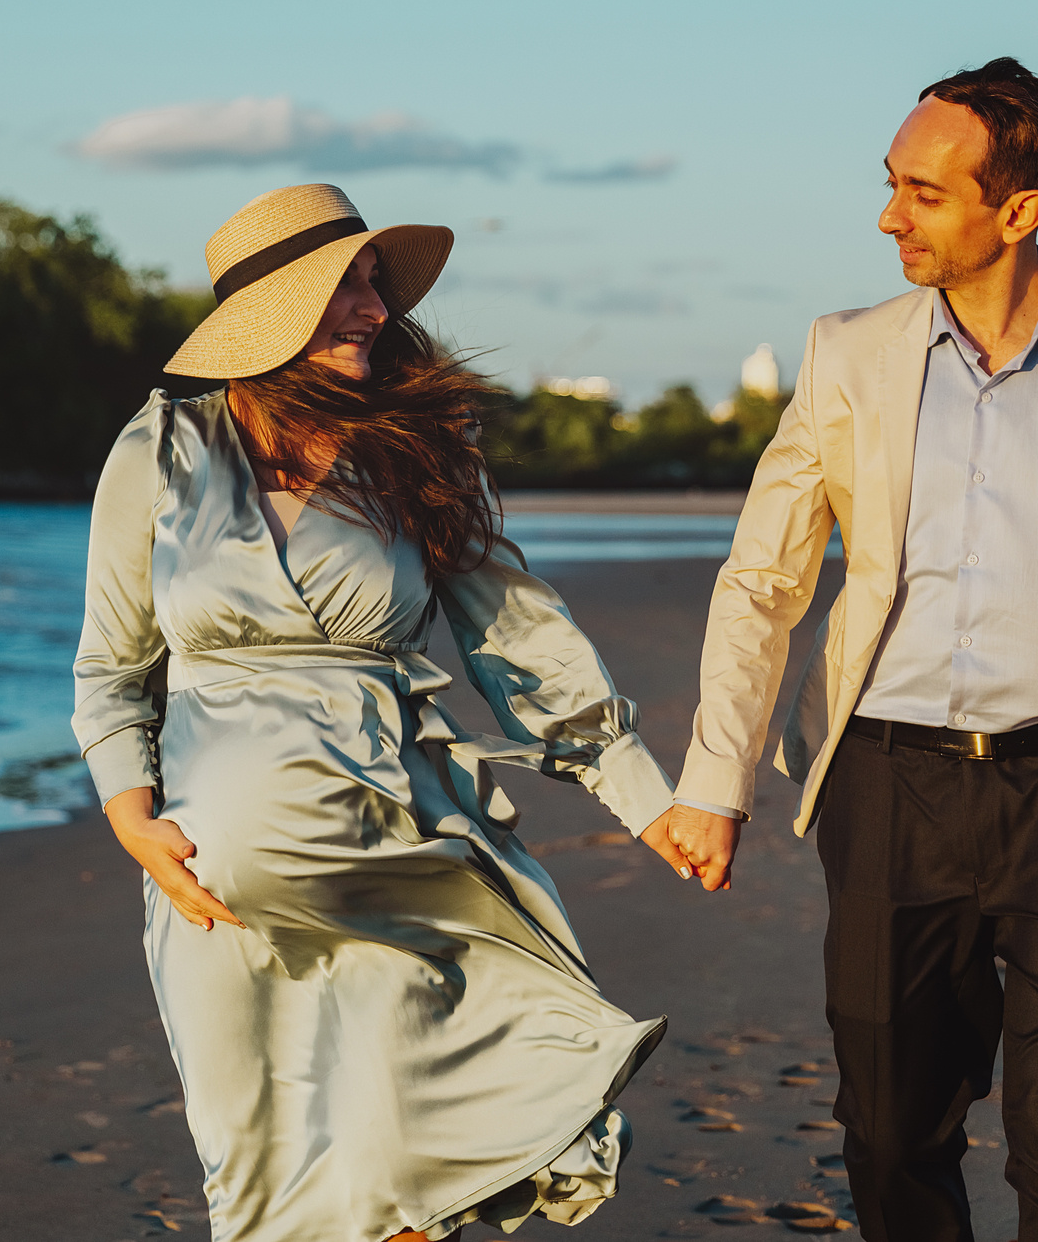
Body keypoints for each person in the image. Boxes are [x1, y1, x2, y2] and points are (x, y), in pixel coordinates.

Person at [661, 59, 1038, 1242]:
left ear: (1018, 212)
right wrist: (715, 781)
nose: (889, 215)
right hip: (889, 785)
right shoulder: (847, 354)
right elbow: (764, 579)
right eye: (889, 183)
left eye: (923, 192)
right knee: (893, 1126)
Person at [71, 182, 692, 1242]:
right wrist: (131, 818)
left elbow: (514, 633)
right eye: (345, 287)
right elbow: (110, 669)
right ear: (269, 313)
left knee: (402, 1176)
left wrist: (642, 796)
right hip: (214, 897)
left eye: (373, 284)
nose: (374, 308)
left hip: (391, 861)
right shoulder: (160, 449)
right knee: (259, 1184)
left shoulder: (416, 452)